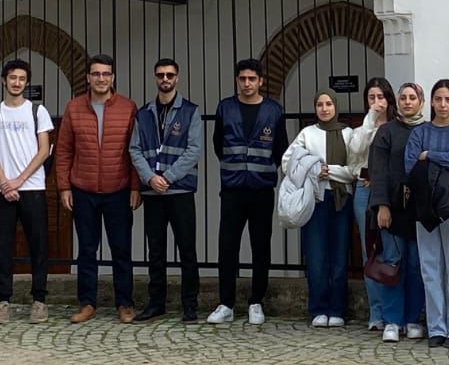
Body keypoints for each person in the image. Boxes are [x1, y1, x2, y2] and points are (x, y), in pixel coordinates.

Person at [55, 54, 139, 325]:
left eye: (106, 74)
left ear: (112, 77)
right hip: (83, 189)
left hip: (118, 189)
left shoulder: (128, 107)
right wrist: (64, 186)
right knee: (87, 250)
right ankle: (87, 303)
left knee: (121, 250)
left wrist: (135, 187)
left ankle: (125, 303)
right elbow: (64, 151)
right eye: (96, 74)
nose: (101, 79)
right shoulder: (74, 108)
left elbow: (134, 151)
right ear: (88, 78)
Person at [208, 59, 288, 325]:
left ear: (261, 81)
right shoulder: (225, 107)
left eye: (252, 79)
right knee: (227, 246)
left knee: (260, 246)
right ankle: (226, 303)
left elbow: (281, 148)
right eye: (242, 79)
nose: (247, 83)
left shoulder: (274, 110)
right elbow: (218, 144)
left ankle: (256, 301)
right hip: (232, 188)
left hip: (262, 189)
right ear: (237, 80)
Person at [0, 58, 53, 326]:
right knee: (2, 247)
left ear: (26, 82)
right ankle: (3, 301)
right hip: (2, 190)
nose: (17, 83)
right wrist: (5, 182)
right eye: (12, 78)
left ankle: (39, 300)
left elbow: (43, 150)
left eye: (21, 78)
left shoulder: (37, 111)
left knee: (38, 246)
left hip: (32, 188)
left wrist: (19, 180)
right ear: (4, 81)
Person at [128, 58, 203, 323]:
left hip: (180, 191)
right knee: (156, 252)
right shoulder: (143, 114)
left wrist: (167, 178)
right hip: (153, 194)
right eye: (160, 75)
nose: (165, 79)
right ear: (155, 78)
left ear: (177, 77)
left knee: (187, 251)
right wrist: (150, 178)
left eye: (170, 75)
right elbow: (134, 149)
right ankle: (156, 304)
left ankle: (190, 305)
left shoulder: (191, 111)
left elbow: (194, 150)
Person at [404, 79, 449, 348]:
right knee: (430, 267)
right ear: (431, 102)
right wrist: (447, 167)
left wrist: (428, 156)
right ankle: (436, 327)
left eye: (448, 99)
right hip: (424, 203)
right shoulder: (419, 132)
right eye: (438, 99)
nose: (443, 104)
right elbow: (410, 165)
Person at [288, 91, 359, 327]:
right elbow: (288, 162)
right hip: (315, 199)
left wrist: (329, 170)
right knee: (316, 256)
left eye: (328, 104)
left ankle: (337, 309)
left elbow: (355, 169)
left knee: (339, 256)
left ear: (335, 106)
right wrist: (312, 170)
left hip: (341, 199)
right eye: (320, 104)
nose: (324, 108)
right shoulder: (307, 134)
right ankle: (318, 308)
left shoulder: (348, 134)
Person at [368, 82, 428, 342]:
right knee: (393, 265)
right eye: (403, 98)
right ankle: (392, 320)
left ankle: (413, 319)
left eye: (412, 97)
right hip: (392, 210)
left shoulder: (429, 130)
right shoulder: (386, 132)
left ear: (421, 102)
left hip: (420, 210)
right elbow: (378, 171)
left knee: (416, 266)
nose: (407, 102)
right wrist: (382, 205)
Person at [347, 78, 397, 332]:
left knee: (392, 251)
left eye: (381, 97)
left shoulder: (397, 126)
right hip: (364, 189)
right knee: (370, 251)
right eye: (371, 97)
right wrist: (370, 119)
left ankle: (393, 313)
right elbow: (356, 149)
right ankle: (375, 312)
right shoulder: (362, 129)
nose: (377, 102)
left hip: (389, 191)